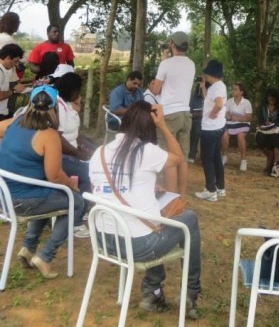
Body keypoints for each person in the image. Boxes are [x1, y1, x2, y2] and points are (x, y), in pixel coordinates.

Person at [89, 101, 201, 317]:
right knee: (188, 219)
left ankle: (153, 292)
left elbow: (108, 188)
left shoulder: (100, 152)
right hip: (136, 246)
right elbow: (178, 159)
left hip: (103, 240)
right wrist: (164, 126)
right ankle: (190, 294)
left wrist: (148, 187)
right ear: (149, 127)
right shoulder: (146, 151)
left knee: (150, 222)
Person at [0, 85, 84, 279]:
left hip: (3, 196)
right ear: (55, 108)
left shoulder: (15, 122)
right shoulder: (49, 135)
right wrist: (72, 186)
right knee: (76, 202)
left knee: (51, 197)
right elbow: (54, 176)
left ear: (29, 104)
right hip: (22, 201)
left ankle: (28, 248)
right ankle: (45, 256)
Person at [54, 72, 94, 238]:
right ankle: (75, 223)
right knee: (89, 174)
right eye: (78, 90)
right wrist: (78, 153)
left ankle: (82, 208)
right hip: (61, 155)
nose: (79, 94)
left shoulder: (67, 105)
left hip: (73, 151)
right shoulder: (57, 107)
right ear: (72, 90)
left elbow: (76, 132)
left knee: (96, 159)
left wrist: (85, 146)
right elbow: (58, 139)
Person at [152, 31, 196, 155]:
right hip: (186, 114)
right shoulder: (191, 64)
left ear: (172, 44)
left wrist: (164, 60)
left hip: (169, 114)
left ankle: (165, 175)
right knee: (182, 156)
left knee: (164, 154)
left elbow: (155, 90)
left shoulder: (165, 64)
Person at [195, 60, 227, 202]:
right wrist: (203, 88)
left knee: (206, 159)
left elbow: (218, 104)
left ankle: (210, 190)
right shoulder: (218, 86)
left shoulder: (216, 88)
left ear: (212, 73)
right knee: (215, 157)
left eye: (207, 73)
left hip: (210, 128)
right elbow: (210, 99)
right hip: (218, 127)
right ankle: (220, 187)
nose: (205, 76)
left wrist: (213, 113)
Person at [222, 82, 252, 172]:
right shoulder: (229, 101)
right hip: (230, 123)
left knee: (240, 136)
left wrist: (235, 117)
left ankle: (243, 160)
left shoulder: (246, 102)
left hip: (243, 124)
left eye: (236, 89)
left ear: (241, 92)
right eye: (233, 89)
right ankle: (224, 156)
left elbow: (248, 117)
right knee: (224, 135)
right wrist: (233, 117)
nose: (233, 91)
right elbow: (225, 114)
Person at [255, 88, 279, 175]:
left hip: (277, 127)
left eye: (273, 98)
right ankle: (270, 156)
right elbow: (260, 119)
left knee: (274, 137)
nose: (271, 100)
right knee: (259, 136)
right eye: (269, 98)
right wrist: (265, 123)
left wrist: (272, 123)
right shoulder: (263, 107)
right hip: (264, 127)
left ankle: (271, 163)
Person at [0, 44, 25, 120]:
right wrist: (14, 91)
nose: (16, 64)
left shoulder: (7, 69)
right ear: (7, 57)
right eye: (15, 61)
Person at [188, 79, 204, 164]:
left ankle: (204, 156)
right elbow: (190, 113)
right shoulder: (194, 99)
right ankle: (192, 155)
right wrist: (200, 113)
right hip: (197, 121)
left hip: (208, 123)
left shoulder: (210, 99)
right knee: (196, 129)